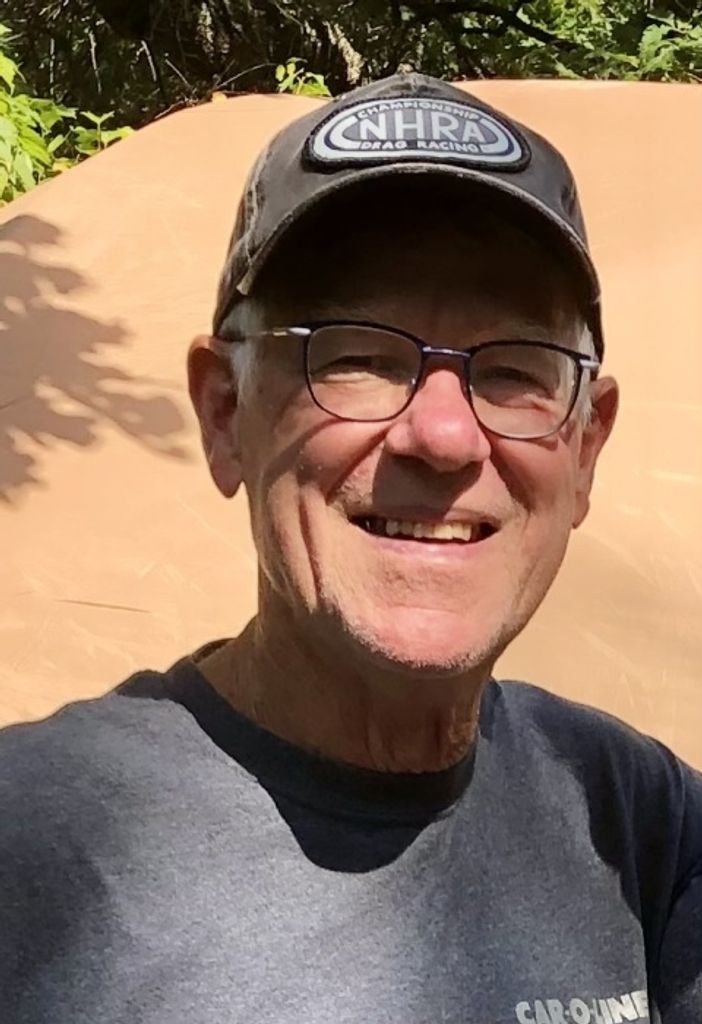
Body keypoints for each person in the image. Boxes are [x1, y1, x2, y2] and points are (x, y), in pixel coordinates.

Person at [0, 73, 699, 1024]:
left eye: (514, 372)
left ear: (585, 449)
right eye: (358, 358)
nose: (443, 437)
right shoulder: (30, 847)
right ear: (224, 413)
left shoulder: (638, 822)